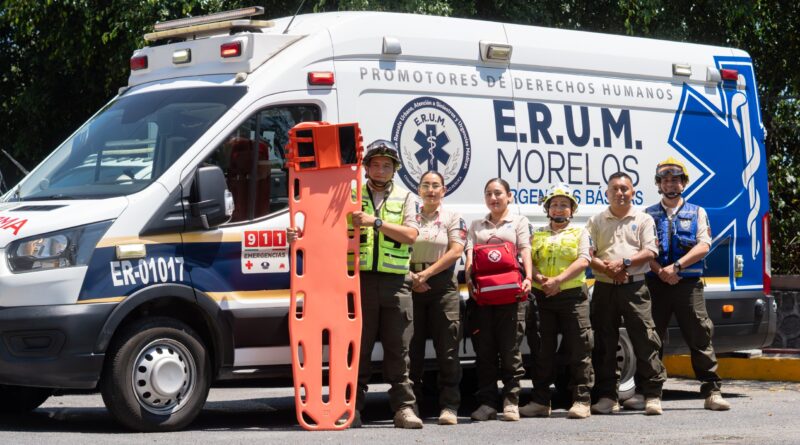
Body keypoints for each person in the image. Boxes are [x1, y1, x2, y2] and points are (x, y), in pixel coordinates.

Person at [287, 139, 423, 429]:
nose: (381, 170)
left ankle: (404, 409)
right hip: (356, 283)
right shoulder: (349, 194)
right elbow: (321, 228)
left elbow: (411, 235)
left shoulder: (406, 197)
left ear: (395, 169)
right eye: (375, 164)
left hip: (396, 283)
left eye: (386, 165)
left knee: (399, 351)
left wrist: (375, 223)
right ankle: (350, 409)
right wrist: (298, 234)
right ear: (366, 167)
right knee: (355, 349)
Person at [622, 158, 730, 411]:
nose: (670, 184)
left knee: (700, 336)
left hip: (687, 285)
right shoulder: (647, 214)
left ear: (684, 183)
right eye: (665, 180)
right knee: (650, 338)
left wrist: (676, 267)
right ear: (659, 184)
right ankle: (648, 393)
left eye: (675, 180)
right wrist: (661, 271)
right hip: (655, 283)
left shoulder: (697, 212)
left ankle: (712, 392)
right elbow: (641, 249)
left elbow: (704, 245)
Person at [586, 172, 667, 416]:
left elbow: (650, 251)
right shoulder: (596, 220)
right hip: (604, 287)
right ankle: (608, 397)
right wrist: (608, 270)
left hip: (635, 287)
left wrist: (624, 264)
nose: (620, 193)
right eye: (615, 189)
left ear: (633, 192)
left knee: (645, 340)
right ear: (607, 193)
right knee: (604, 343)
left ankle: (652, 395)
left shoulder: (643, 219)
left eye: (625, 189)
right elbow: (588, 253)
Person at [518, 183, 594, 420]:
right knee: (542, 350)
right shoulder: (537, 234)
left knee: (579, 348)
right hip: (542, 297)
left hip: (572, 296)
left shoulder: (580, 233)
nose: (559, 209)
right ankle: (540, 401)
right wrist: (540, 278)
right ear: (547, 209)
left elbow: (584, 260)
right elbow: (528, 261)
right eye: (554, 204)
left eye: (564, 205)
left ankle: (581, 400)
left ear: (572, 210)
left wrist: (558, 280)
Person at [465, 178, 532, 422]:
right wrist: (469, 279)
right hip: (483, 298)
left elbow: (525, 249)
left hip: (511, 296)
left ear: (509, 196)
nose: (493, 198)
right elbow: (470, 255)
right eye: (489, 194)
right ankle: (487, 404)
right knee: (484, 352)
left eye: (498, 193)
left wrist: (529, 277)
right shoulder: (476, 225)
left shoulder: (519, 221)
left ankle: (511, 401)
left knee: (510, 350)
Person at [408, 170, 466, 425]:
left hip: (442, 284)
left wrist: (426, 275)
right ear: (418, 189)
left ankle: (449, 406)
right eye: (426, 185)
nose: (430, 190)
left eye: (435, 186)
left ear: (444, 190)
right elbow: (397, 246)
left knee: (448, 349)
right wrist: (412, 276)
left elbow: (456, 251)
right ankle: (410, 406)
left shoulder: (453, 217)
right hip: (411, 283)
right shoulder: (409, 217)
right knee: (411, 350)